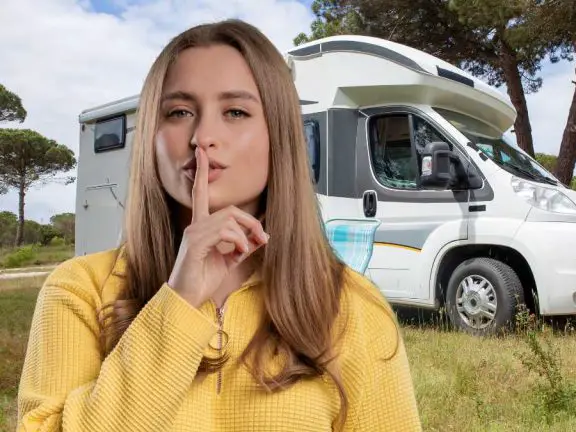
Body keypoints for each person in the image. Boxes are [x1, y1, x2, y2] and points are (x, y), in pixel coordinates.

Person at [16, 19, 422, 432]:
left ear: (278, 135)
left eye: (235, 112)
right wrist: (178, 300)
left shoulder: (354, 306)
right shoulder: (77, 291)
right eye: (179, 112)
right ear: (152, 136)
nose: (203, 137)